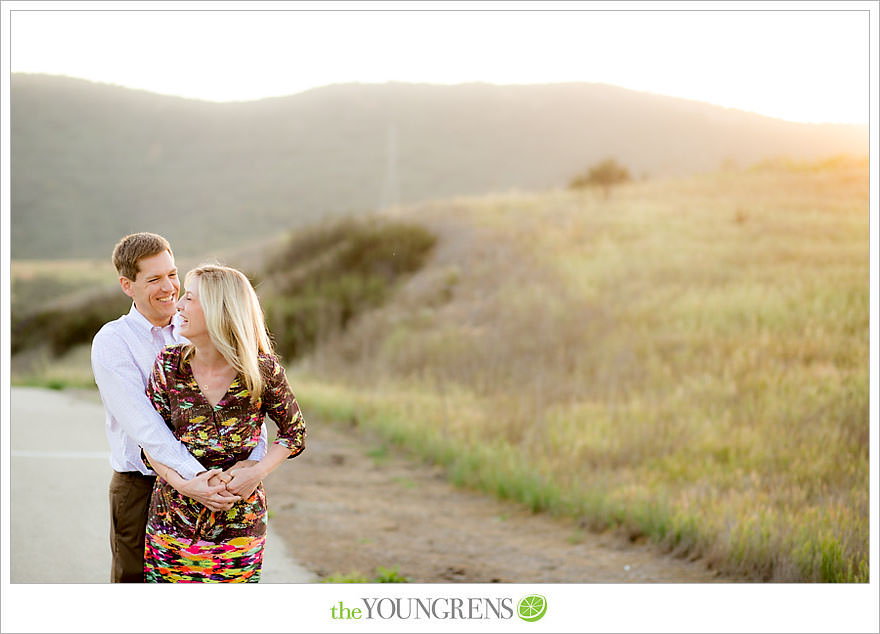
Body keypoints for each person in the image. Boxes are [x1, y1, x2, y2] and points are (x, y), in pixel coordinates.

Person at [91, 232, 268, 583]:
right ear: (127, 285)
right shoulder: (113, 342)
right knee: (137, 590)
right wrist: (194, 478)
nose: (169, 287)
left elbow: (247, 404)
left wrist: (249, 467)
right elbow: (146, 428)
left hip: (222, 488)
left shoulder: (199, 326)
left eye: (172, 274)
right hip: (142, 488)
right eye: (154, 279)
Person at [142, 263, 306, 582]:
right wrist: (187, 486)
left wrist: (255, 473)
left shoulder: (262, 371)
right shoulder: (168, 366)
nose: (179, 305)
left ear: (219, 309)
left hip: (239, 526)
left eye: (190, 298)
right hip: (173, 521)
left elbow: (294, 433)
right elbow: (150, 444)